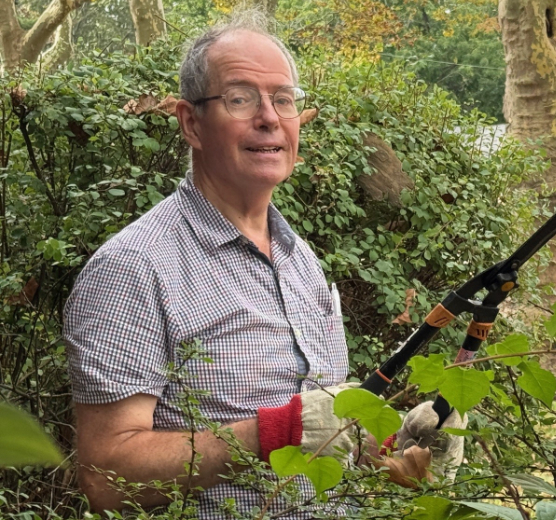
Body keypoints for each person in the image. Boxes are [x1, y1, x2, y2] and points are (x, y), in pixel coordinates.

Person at [65, 13, 462, 519]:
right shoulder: (133, 269)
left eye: (283, 98)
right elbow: (106, 480)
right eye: (240, 98)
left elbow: (322, 443)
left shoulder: (302, 262)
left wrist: (395, 446)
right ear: (191, 123)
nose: (270, 117)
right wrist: (276, 432)